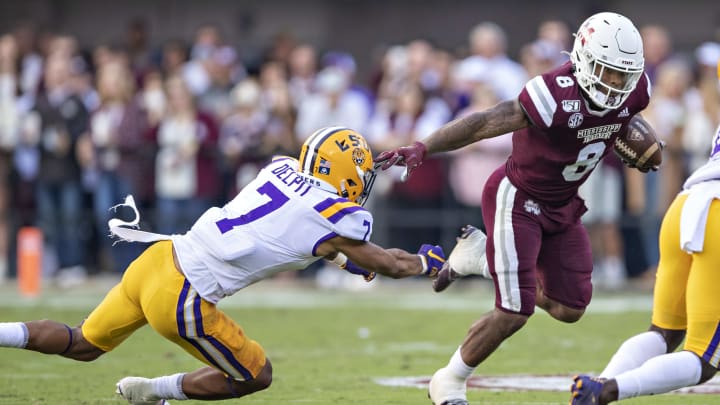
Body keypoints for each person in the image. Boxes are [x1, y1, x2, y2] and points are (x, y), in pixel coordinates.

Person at [0, 126, 447, 404]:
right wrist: (426, 264)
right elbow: (388, 263)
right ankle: (153, 391)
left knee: (82, 344)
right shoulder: (329, 215)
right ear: (345, 174)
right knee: (256, 376)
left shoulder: (279, 170)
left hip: (158, 259)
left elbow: (308, 239)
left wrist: (349, 260)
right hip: (183, 297)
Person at [376, 12, 656, 405]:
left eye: (621, 76)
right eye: (606, 72)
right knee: (514, 310)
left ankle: (479, 257)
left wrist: (636, 137)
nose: (614, 84)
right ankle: (450, 380)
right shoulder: (553, 93)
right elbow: (483, 122)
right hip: (518, 198)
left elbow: (623, 116)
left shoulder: (636, 89)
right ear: (583, 59)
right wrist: (424, 146)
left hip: (563, 203)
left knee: (570, 306)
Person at [569, 87, 720, 403]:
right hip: (716, 217)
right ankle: (606, 391)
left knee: (663, 333)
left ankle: (598, 384)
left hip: (687, 202)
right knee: (704, 359)